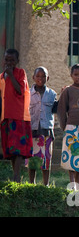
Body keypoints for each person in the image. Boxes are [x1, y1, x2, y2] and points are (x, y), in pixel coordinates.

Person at [0, 49, 33, 182]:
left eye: (12, 60)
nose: (9, 63)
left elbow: (20, 90)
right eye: (7, 60)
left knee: (18, 147)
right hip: (6, 116)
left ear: (17, 61)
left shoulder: (20, 73)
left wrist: (11, 75)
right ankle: (15, 174)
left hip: (18, 115)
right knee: (10, 148)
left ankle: (17, 175)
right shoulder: (2, 77)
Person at [26, 67, 58, 185]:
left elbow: (55, 109)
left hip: (46, 130)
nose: (40, 78)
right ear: (33, 78)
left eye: (43, 76)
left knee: (47, 158)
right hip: (33, 129)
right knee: (33, 158)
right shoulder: (28, 93)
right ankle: (31, 182)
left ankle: (46, 183)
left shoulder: (52, 94)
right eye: (38, 76)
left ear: (47, 78)